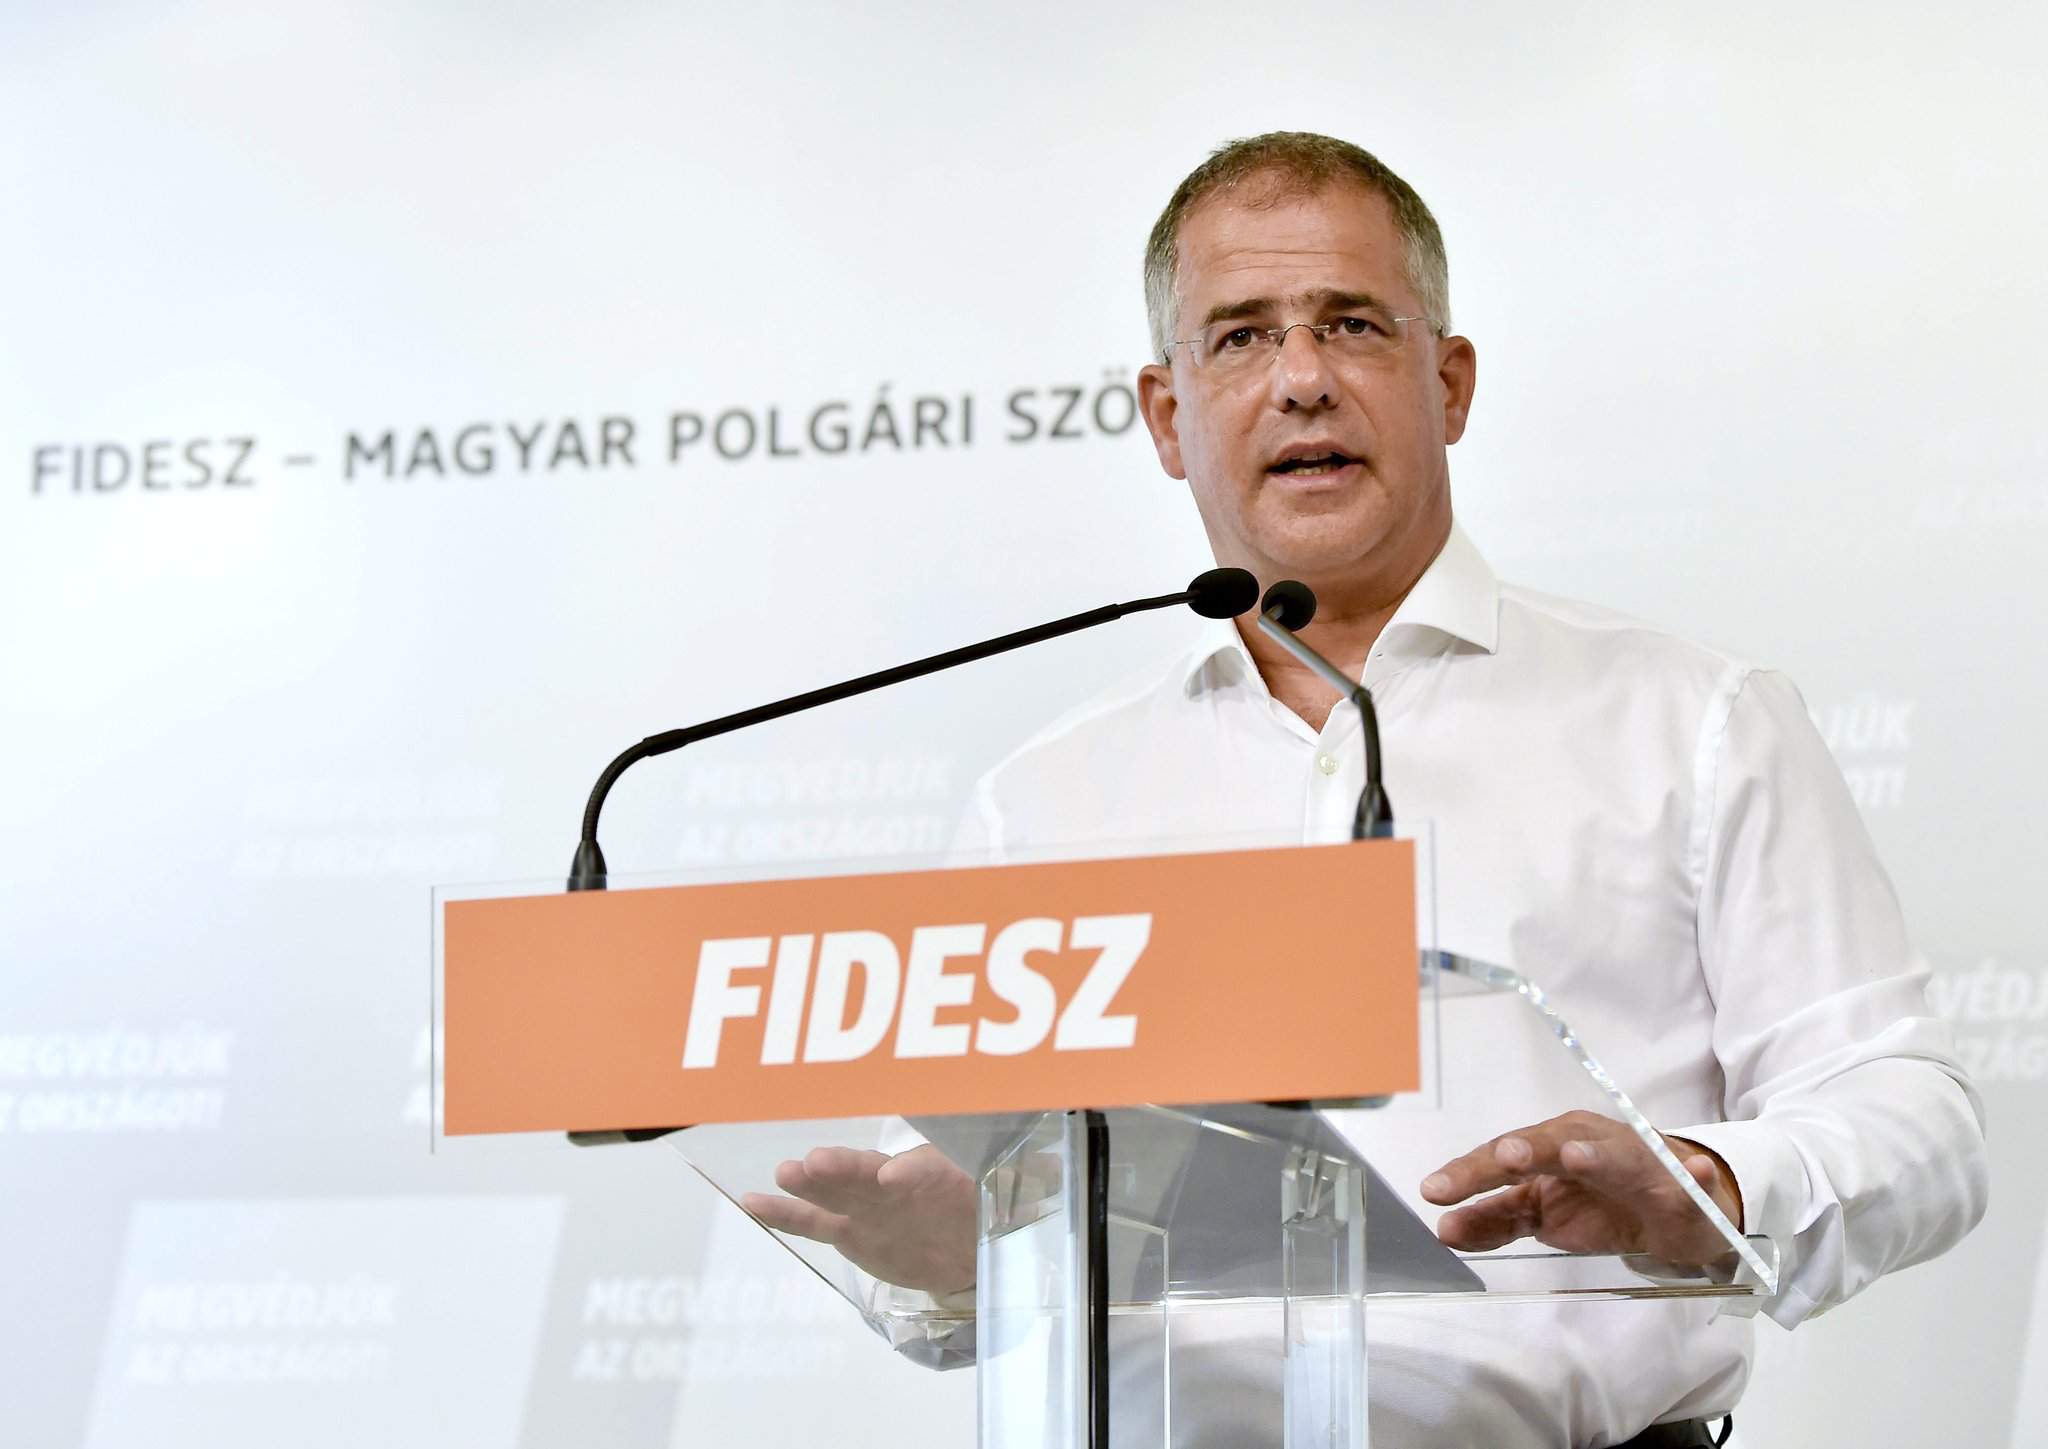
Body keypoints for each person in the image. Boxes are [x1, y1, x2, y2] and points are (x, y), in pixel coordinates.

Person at [746, 132, 1989, 1447]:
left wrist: (1710, 1184)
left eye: (1350, 323)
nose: (1301, 380)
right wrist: (951, 1248)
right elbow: (931, 1234)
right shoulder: (1045, 800)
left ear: (1447, 382)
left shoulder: (1692, 721)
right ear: (1167, 415)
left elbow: (1913, 1118)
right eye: (1241, 336)